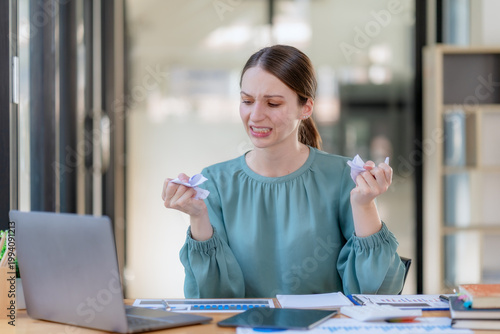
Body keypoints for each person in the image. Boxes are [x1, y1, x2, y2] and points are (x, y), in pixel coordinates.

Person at [161, 45, 406, 298]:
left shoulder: (343, 178)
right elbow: (209, 298)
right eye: (247, 101)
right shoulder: (216, 182)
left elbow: (380, 293)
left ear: (306, 108)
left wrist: (365, 205)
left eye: (273, 103)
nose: (255, 115)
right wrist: (198, 217)